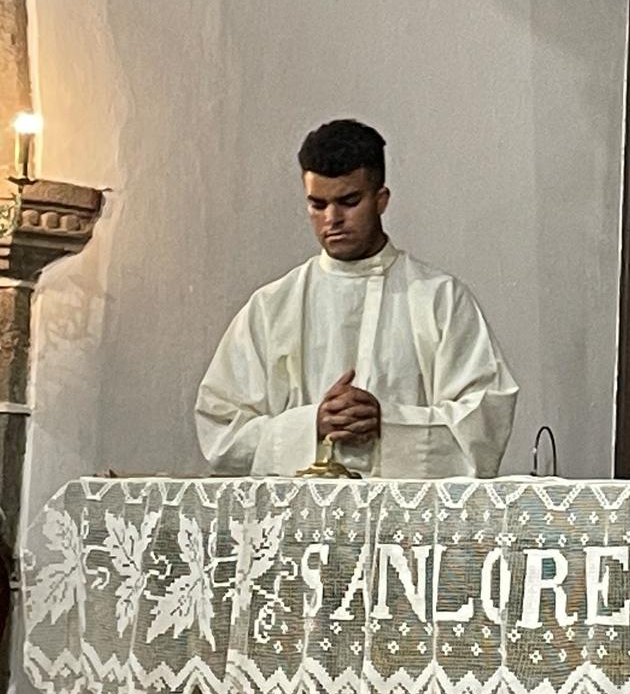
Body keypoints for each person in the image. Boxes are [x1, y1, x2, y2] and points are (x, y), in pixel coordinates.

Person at [195, 119, 518, 477]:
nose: (332, 219)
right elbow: (221, 433)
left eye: (348, 201)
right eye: (317, 205)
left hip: (406, 525)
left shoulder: (438, 299)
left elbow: (484, 423)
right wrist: (311, 424)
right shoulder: (272, 307)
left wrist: (389, 423)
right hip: (296, 523)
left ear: (381, 200)